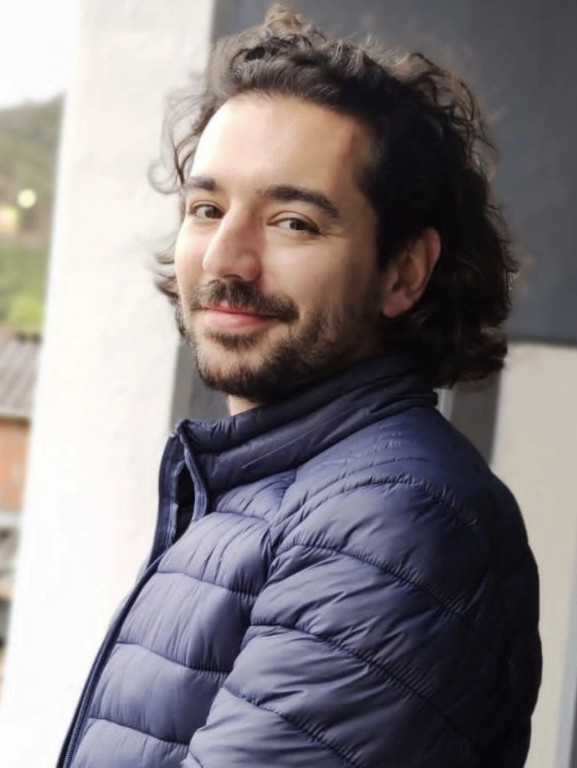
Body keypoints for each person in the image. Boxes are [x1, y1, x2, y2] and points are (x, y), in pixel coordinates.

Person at [57, 5, 541, 767]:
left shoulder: (392, 519)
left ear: (403, 273)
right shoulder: (265, 489)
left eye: (293, 222)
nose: (226, 259)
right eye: (207, 208)